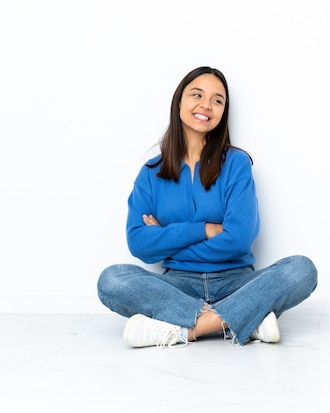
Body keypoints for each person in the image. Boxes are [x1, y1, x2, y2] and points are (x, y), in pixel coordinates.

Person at [97, 66, 318, 348]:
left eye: (217, 100)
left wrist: (166, 236)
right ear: (179, 102)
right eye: (197, 95)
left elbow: (238, 240)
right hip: (178, 285)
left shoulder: (236, 164)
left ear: (223, 112)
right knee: (113, 280)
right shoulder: (151, 173)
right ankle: (244, 319)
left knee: (300, 270)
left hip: (237, 282)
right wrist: (205, 229)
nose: (207, 105)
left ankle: (184, 330)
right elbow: (139, 245)